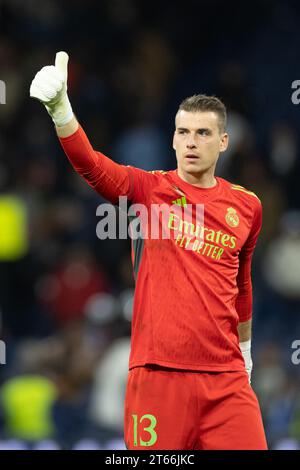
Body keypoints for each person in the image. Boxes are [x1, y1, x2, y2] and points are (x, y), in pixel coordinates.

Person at [29, 52, 268, 450]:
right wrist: (60, 111)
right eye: (183, 132)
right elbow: (92, 166)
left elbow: (241, 285)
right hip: (159, 377)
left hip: (226, 381)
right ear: (173, 138)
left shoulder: (248, 206)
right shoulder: (149, 190)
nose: (191, 142)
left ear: (223, 142)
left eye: (203, 133)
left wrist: (244, 351)